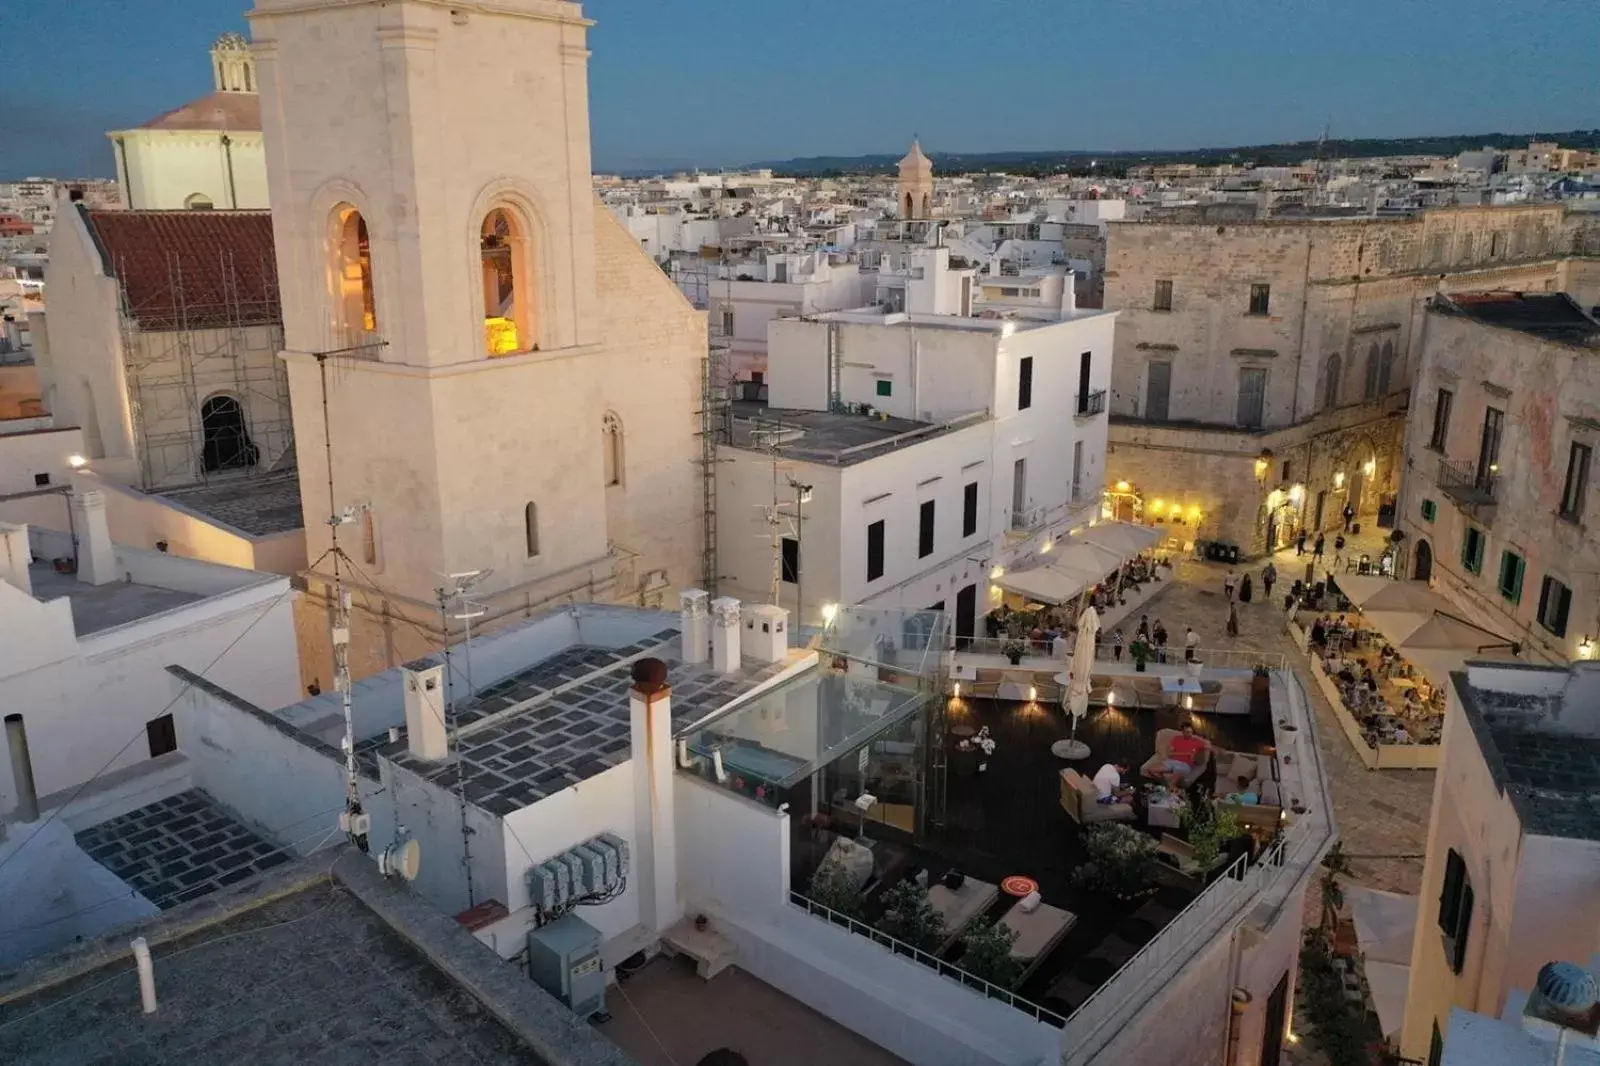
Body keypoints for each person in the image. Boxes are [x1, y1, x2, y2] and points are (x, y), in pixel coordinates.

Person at [1162, 723, 1208, 790]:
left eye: (1191, 732)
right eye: (1187, 732)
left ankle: (1172, 789)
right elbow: (1170, 754)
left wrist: (1219, 750)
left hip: (1185, 765)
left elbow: (1208, 746)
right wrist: (1186, 753)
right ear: (1182, 732)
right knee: (1154, 770)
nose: (1189, 734)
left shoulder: (1196, 741)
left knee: (1173, 780)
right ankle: (1169, 788)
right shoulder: (1176, 739)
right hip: (1174, 761)